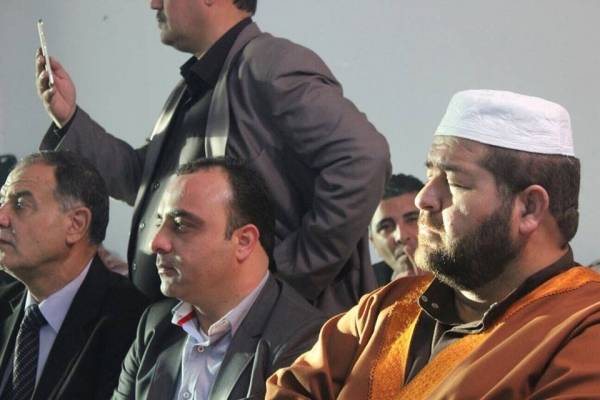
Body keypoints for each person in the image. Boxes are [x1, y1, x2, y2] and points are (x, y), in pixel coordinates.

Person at [35, 0, 391, 315]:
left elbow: (364, 158)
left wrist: (283, 278)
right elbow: (144, 181)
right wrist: (69, 119)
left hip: (267, 336)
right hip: (193, 329)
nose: (153, 4)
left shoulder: (270, 63)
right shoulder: (194, 85)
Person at [266, 90, 600, 399]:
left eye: (454, 183)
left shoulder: (584, 326)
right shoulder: (385, 308)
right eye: (430, 177)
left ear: (529, 208)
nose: (424, 199)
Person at [112, 158, 325, 400]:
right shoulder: (155, 325)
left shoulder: (307, 341)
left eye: (180, 225)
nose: (156, 243)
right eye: (159, 222)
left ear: (244, 241)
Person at [0, 151, 148, 400]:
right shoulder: (5, 304)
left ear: (76, 224)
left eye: (21, 204)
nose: (2, 217)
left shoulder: (131, 324)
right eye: (1, 201)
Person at [370, 173, 426, 286]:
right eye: (386, 227)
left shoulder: (463, 275)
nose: (401, 236)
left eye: (412, 219)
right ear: (372, 241)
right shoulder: (359, 290)